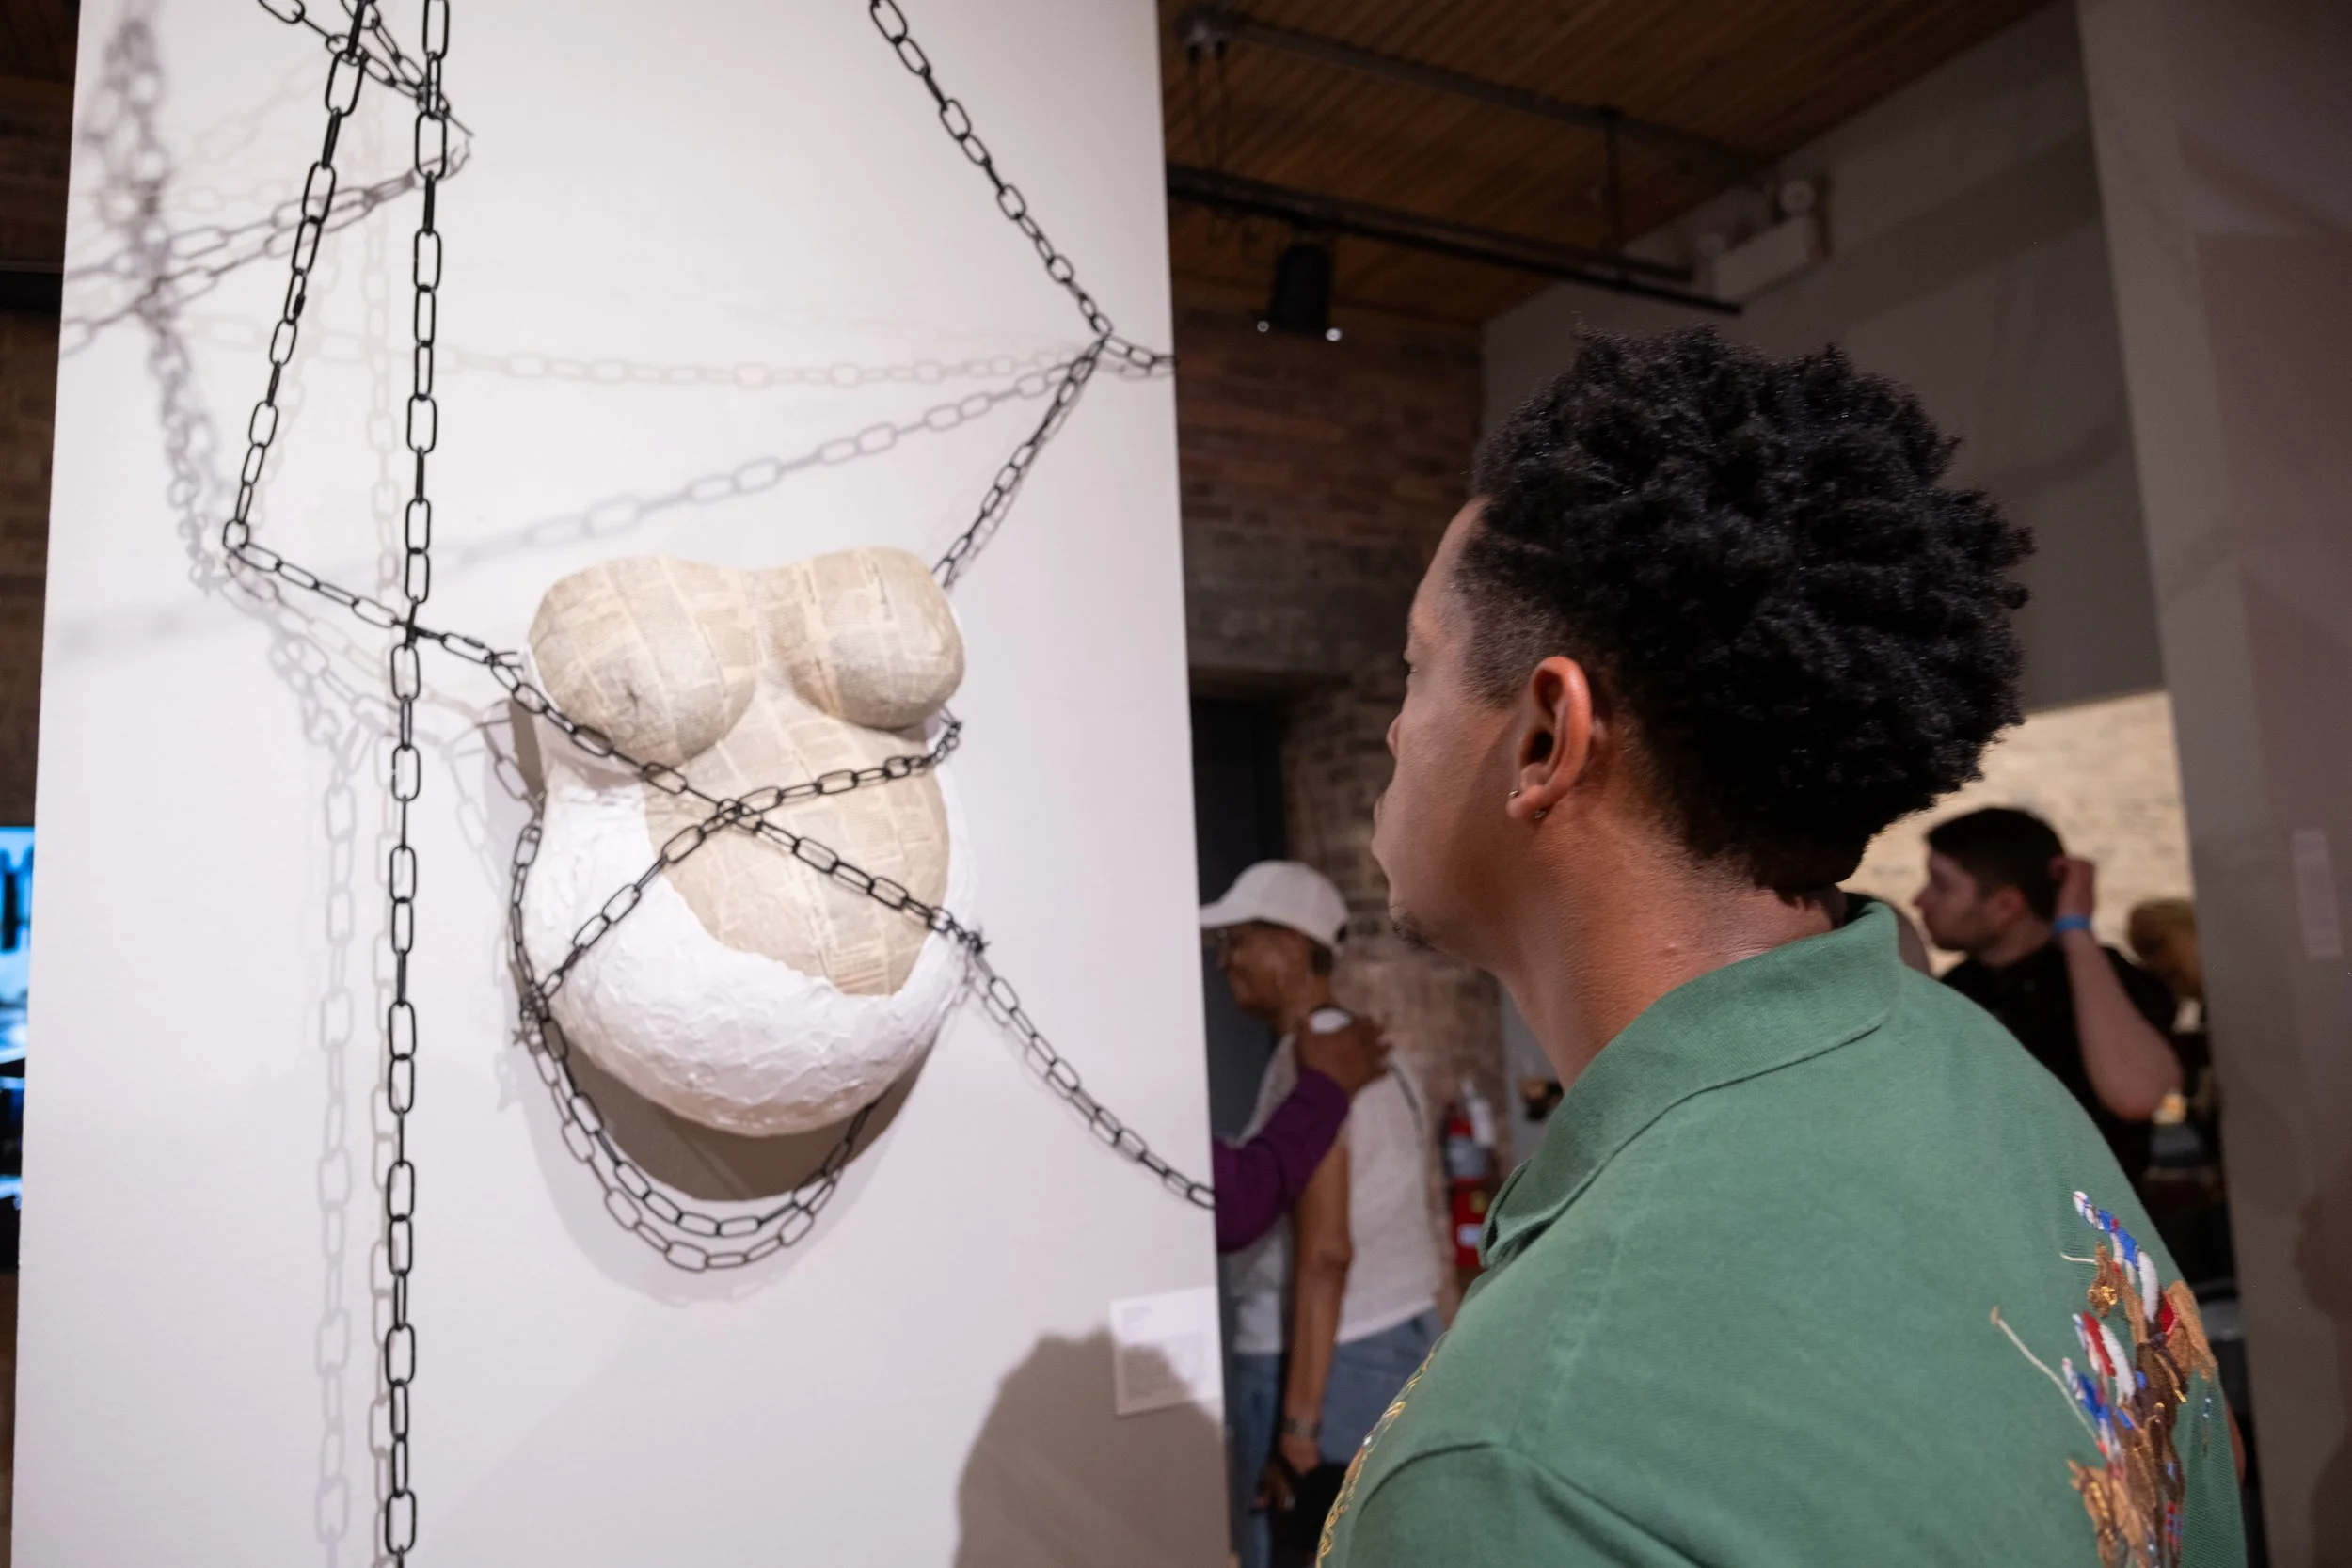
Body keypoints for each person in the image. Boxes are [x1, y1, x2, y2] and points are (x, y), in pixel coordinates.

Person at [1314, 327, 2242, 1566]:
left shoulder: (1520, 1469)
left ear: (1548, 736)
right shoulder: (1978, 1072)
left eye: (1416, 668)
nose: (1391, 729)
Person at [1201, 860, 1442, 1568]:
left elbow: (1327, 1250)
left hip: (1324, 1361)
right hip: (1396, 1335)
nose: (1226, 961)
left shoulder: (1318, 1060)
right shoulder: (1379, 1056)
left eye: (1240, 939)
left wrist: (1299, 1428)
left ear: (1296, 947)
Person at [1915, 808, 2184, 1193]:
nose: (1920, 899)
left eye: (1941, 885)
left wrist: (2075, 927)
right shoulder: (1958, 986)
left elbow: (2137, 1095)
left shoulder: (2104, 978)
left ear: (2007, 904)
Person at [1213, 1008, 1393, 1254]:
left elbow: (1327, 1251)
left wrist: (1323, 1093)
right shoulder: (1349, 1052)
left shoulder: (1323, 1045)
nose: (1225, 966)